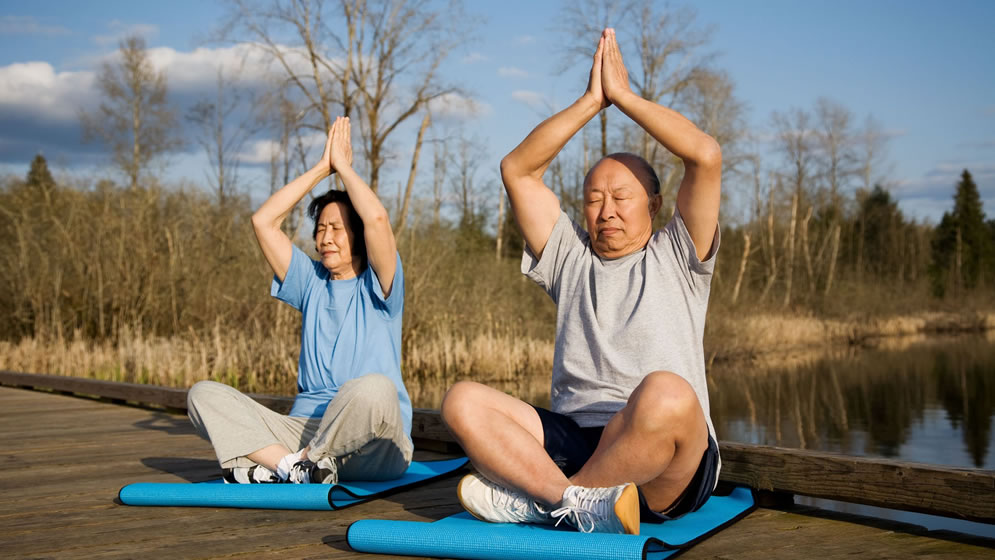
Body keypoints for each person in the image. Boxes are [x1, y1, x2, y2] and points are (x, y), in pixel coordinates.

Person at [441, 29, 723, 535]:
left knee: (668, 395)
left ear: (655, 207)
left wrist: (625, 99)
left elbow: (704, 155)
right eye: (594, 199)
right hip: (572, 441)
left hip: (659, 455)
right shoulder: (571, 256)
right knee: (461, 399)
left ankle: (549, 504)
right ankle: (570, 502)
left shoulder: (679, 254)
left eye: (621, 197)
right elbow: (518, 170)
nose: (606, 211)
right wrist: (591, 101)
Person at [187, 116, 413, 485]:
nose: (325, 237)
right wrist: (321, 169)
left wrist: (343, 168)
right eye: (320, 229)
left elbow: (377, 218)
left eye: (337, 228)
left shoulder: (382, 286)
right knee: (204, 395)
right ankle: (294, 467)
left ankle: (289, 464)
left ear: (358, 236)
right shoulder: (311, 281)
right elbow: (263, 221)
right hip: (304, 430)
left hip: (375, 443)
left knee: (373, 388)